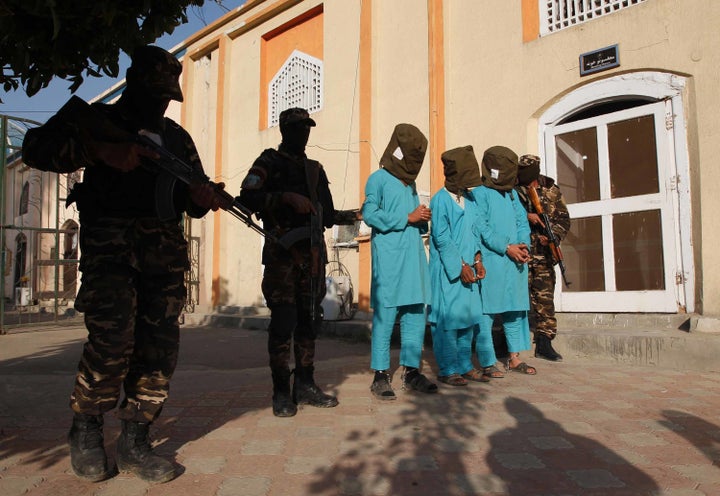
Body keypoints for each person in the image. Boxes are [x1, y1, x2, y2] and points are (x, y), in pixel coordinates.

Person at [21, 45, 224, 483]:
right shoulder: (102, 122)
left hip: (165, 259)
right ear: (133, 86)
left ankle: (136, 439)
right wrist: (100, 152)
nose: (161, 104)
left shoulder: (176, 139)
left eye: (168, 97)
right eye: (155, 94)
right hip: (111, 254)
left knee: (158, 350)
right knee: (111, 343)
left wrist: (203, 199)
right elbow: (36, 147)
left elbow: (192, 196)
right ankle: (87, 430)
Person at [238, 107, 358, 418]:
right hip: (283, 258)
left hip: (313, 258)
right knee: (283, 324)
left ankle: (305, 384)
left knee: (308, 323)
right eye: (296, 128)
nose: (303, 133)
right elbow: (247, 196)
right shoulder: (269, 161)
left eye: (306, 127)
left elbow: (328, 216)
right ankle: (280, 391)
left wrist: (357, 215)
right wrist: (284, 198)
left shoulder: (315, 170)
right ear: (284, 130)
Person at [362, 123, 438, 399]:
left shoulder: (411, 183)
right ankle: (380, 375)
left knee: (416, 314)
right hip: (390, 259)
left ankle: (411, 371)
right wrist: (407, 218)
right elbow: (369, 213)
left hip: (413, 257)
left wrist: (420, 219)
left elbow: (413, 218)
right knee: (386, 314)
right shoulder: (378, 179)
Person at [428, 145, 504, 386]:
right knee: (450, 322)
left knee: (468, 320)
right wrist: (460, 266)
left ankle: (465, 365)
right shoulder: (441, 200)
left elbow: (475, 232)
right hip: (450, 271)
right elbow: (441, 237)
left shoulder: (469, 199)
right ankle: (448, 369)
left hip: (469, 269)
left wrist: (478, 260)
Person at [474, 146, 536, 375]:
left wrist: (523, 246)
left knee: (515, 310)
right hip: (494, 259)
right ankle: (487, 361)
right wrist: (506, 247)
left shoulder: (511, 194)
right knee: (487, 312)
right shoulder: (479, 193)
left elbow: (522, 221)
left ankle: (514, 357)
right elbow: (481, 227)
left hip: (515, 261)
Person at [515, 154, 571, 361]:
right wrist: (526, 216)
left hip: (543, 253)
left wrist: (552, 236)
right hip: (520, 253)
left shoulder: (551, 190)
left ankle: (545, 342)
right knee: (514, 296)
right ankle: (503, 340)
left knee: (544, 298)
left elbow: (564, 219)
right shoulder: (513, 191)